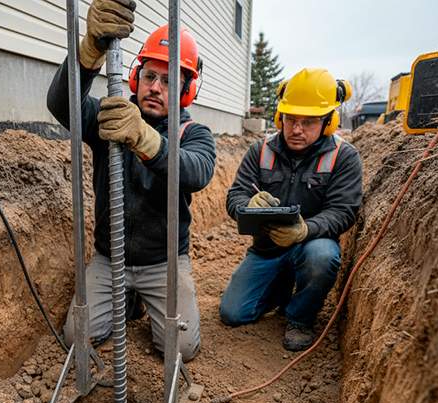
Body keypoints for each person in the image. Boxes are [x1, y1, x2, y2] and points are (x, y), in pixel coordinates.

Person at [46, 0, 216, 362]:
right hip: (110, 260)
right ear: (136, 78)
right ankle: (126, 299)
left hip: (164, 262)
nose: (156, 87)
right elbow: (63, 104)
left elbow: (196, 171)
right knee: (78, 337)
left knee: (180, 350)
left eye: (170, 81)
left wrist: (144, 138)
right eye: (151, 76)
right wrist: (89, 50)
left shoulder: (193, 132)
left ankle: (139, 297)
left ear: (186, 92)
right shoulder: (110, 117)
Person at [220, 68, 362, 351]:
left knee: (323, 256)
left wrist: (304, 230)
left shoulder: (344, 157)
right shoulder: (260, 151)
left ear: (329, 121)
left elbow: (343, 211)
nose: (297, 129)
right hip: (266, 251)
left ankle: (300, 318)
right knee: (233, 314)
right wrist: (247, 204)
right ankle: (281, 287)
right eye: (290, 119)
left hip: (311, 247)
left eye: (308, 122)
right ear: (279, 117)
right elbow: (234, 195)